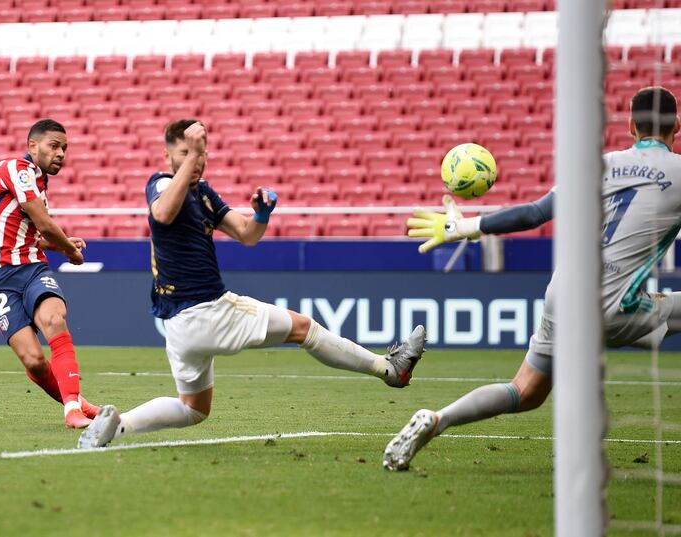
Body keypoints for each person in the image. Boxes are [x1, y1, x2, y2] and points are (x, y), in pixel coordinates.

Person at [383, 86, 681, 471]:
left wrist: (464, 227)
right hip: (616, 305)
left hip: (565, 293)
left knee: (524, 392)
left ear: (629, 126)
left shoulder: (599, 165)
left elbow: (533, 214)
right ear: (677, 126)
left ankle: (437, 419)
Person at [78, 119, 426, 448]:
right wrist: (194, 155)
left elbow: (246, 234)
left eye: (201, 153)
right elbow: (163, 213)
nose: (196, 161)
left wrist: (261, 214)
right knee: (305, 329)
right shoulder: (162, 183)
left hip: (181, 324)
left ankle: (118, 425)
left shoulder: (203, 194)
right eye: (186, 153)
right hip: (208, 309)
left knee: (194, 408)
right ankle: (390, 370)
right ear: (168, 156)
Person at [0, 118, 99, 429]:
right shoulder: (15, 169)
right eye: (54, 146)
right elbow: (42, 221)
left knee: (55, 319)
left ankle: (71, 410)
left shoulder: (39, 186)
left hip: (31, 268)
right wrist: (67, 248)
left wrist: (58, 245)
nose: (61, 153)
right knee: (35, 362)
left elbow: (31, 236)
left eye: (65, 148)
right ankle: (80, 403)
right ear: (32, 146)